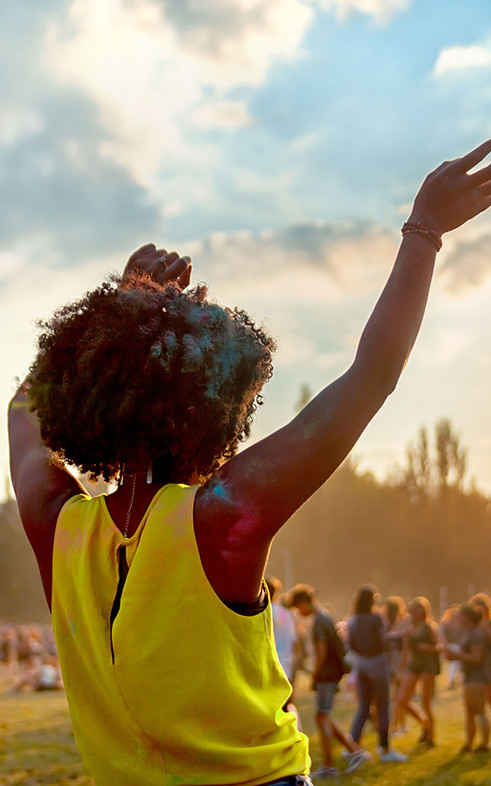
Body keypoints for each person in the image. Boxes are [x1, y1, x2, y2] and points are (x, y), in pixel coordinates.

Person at [8, 140, 491, 785]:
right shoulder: (221, 517)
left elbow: (21, 413)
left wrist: (115, 310)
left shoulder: (60, 527)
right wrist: (423, 231)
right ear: (210, 411)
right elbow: (372, 375)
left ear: (89, 398)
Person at [289, 585, 371, 778]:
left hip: (327, 674)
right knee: (323, 715)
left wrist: (315, 674)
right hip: (333, 672)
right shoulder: (324, 616)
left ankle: (329, 765)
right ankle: (354, 751)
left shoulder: (319, 620)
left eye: (298, 608)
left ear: (303, 603)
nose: (299, 613)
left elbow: (321, 651)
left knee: (322, 715)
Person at [347, 585, 407, 763]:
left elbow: (352, 644)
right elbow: (383, 640)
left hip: (361, 665)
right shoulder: (376, 618)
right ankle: (385, 748)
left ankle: (353, 745)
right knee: (382, 708)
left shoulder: (353, 620)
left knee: (363, 708)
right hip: (378, 665)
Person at [395, 597, 441, 748]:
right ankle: (425, 723)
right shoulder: (409, 630)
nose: (417, 612)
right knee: (402, 700)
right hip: (414, 665)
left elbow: (439, 647)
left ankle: (431, 738)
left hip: (428, 666)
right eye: (414, 609)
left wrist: (427, 648)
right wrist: (399, 671)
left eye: (420, 609)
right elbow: (405, 652)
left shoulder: (429, 627)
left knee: (425, 701)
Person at [445, 603, 490, 753]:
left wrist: (457, 654)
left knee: (479, 711)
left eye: (460, 616)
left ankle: (484, 744)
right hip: (469, 677)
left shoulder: (476, 634)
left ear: (467, 617)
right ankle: (469, 744)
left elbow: (476, 657)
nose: (458, 619)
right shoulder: (468, 633)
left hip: (477, 677)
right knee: (470, 712)